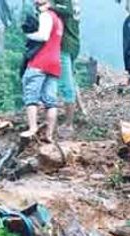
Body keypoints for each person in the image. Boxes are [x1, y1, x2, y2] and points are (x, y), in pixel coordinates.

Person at [21, 0, 64, 143]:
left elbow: (43, 36)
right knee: (50, 101)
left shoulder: (46, 16)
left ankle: (32, 128)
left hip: (40, 61)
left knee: (31, 96)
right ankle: (49, 135)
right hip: (55, 63)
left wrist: (28, 35)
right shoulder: (59, 20)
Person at [54, 0, 81, 138]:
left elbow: (66, 10)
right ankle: (80, 110)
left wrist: (49, 6)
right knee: (70, 77)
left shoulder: (64, 3)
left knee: (66, 84)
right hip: (73, 43)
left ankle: (68, 124)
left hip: (64, 44)